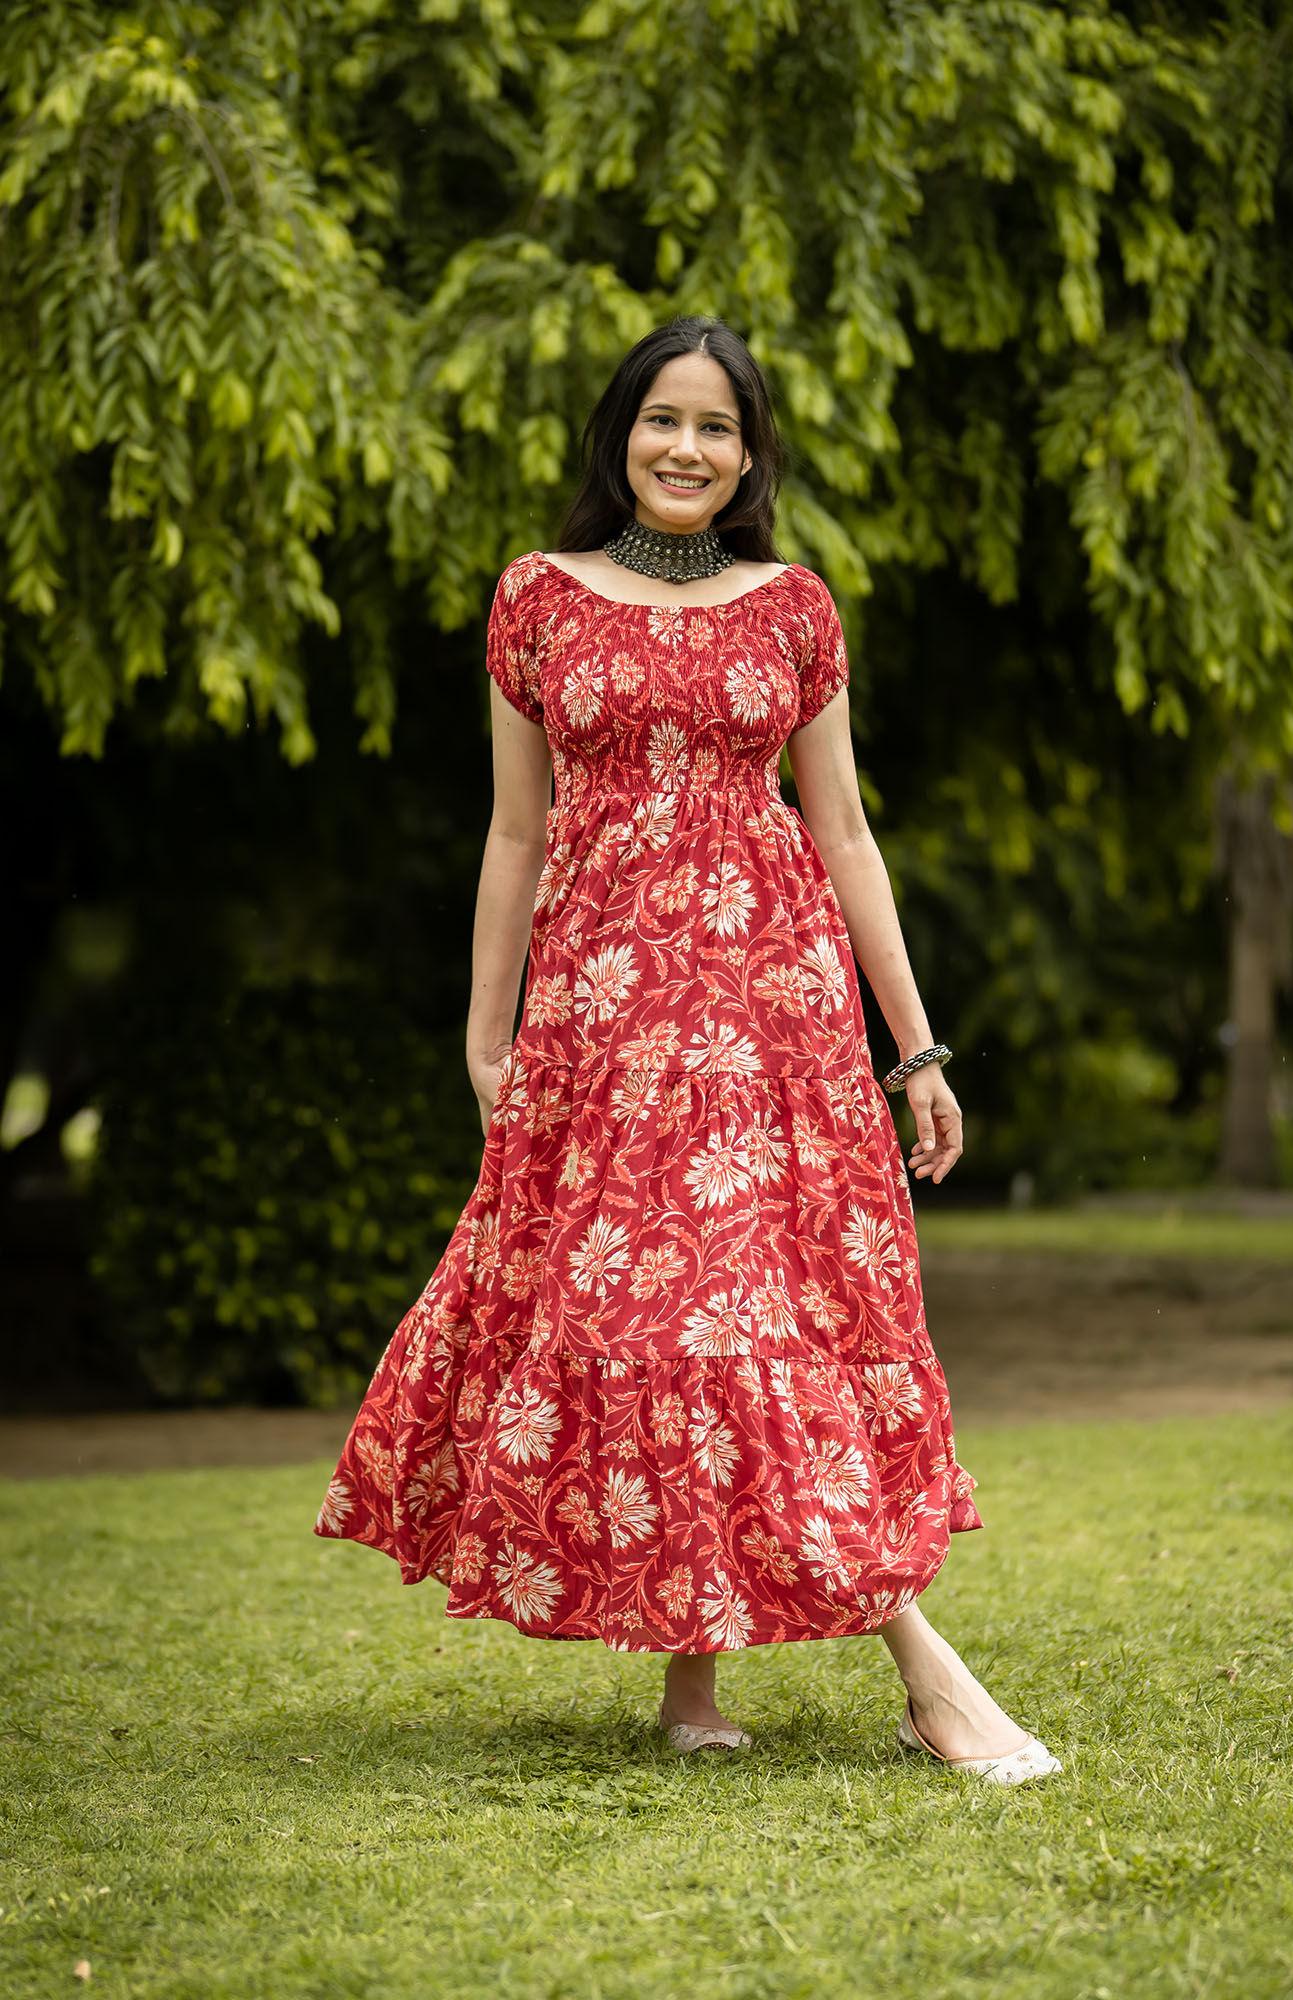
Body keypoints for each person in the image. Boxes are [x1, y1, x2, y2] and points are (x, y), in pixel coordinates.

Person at [314, 315, 1060, 1786]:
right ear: (620, 433)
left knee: (744, 1308)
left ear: (749, 453)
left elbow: (842, 830)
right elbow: (515, 830)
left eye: (717, 428)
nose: (687, 449)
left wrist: (917, 1051)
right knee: (664, 1319)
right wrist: (487, 1030)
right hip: (601, 1016)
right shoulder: (536, 600)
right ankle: (748, 1680)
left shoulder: (794, 608)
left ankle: (915, 1677)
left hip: (771, 1014)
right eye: (664, 419)